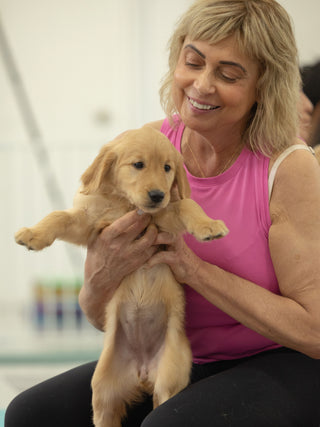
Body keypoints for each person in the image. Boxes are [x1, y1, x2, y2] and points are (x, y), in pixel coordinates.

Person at [5, 0, 320, 426]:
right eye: (193, 62)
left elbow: (314, 331)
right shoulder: (145, 147)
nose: (202, 85)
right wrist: (103, 272)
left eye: (228, 74)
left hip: (282, 358)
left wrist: (194, 269)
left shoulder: (290, 168)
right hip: (172, 351)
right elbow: (101, 316)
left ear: (265, 86)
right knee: (30, 413)